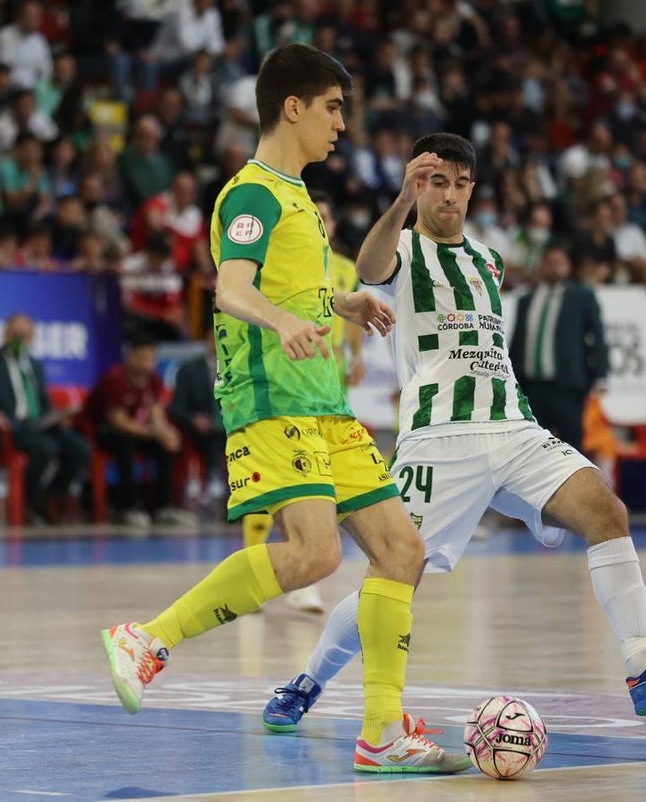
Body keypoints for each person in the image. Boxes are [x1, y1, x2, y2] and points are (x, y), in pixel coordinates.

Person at [262, 132, 646, 736]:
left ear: (471, 189)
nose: (448, 195)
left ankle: (643, 667)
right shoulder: (402, 250)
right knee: (395, 577)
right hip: (438, 439)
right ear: (419, 186)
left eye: (458, 183)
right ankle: (307, 681)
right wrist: (401, 198)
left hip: (512, 429)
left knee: (606, 509)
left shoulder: (489, 260)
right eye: (435, 182)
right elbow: (371, 268)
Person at [100, 44, 468, 775]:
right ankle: (148, 639)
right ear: (292, 107)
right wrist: (283, 324)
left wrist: (341, 302)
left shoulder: (297, 194)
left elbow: (293, 287)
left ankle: (382, 734)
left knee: (402, 552)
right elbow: (232, 288)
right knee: (314, 553)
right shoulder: (252, 193)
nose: (341, 124)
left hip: (324, 402)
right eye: (333, 108)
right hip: (269, 398)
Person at [241, 192, 367, 615]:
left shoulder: (345, 270)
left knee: (321, 480)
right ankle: (261, 567)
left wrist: (358, 356)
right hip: (288, 378)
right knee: (279, 481)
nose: (323, 222)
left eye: (327, 216)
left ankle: (306, 577)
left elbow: (348, 321)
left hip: (328, 383)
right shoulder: (282, 262)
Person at [0, 313, 90, 522]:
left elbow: (42, 403)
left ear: (33, 338)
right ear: (6, 334)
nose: (20, 340)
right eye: (16, 334)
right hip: (5, 429)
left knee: (79, 448)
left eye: (26, 335)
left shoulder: (35, 365)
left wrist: (58, 416)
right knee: (45, 448)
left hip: (38, 425)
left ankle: (48, 499)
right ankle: (26, 503)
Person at [510, 244, 609, 450]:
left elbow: (598, 336)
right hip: (532, 388)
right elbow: (518, 341)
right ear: (541, 266)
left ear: (568, 267)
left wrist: (601, 373)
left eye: (559, 263)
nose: (553, 268)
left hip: (568, 386)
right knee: (532, 448)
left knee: (571, 449)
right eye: (549, 262)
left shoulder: (581, 297)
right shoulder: (526, 299)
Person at [87, 337, 191, 528]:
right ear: (130, 357)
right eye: (142, 358)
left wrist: (165, 433)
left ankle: (164, 507)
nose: (147, 364)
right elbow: (119, 422)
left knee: (164, 445)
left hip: (140, 431)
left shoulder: (154, 380)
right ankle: (128, 507)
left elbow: (156, 412)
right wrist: (155, 433)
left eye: (151, 359)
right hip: (105, 432)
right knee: (125, 442)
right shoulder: (114, 379)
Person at [168, 327, 227, 508]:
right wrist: (194, 419)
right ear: (208, 340)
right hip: (200, 431)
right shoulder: (189, 370)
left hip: (234, 427)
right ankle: (215, 484)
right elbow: (176, 407)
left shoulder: (240, 369)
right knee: (215, 437)